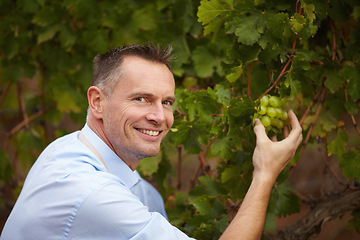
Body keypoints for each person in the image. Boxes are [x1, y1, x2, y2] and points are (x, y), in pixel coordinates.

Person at [1, 43, 303, 240]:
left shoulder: (70, 149)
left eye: (167, 102)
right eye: (141, 99)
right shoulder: (91, 193)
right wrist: (265, 173)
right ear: (97, 102)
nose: (160, 117)